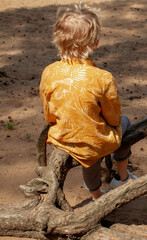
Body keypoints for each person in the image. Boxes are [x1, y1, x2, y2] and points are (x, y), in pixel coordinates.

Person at [39, 4, 137, 200]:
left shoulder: (49, 72)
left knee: (89, 160)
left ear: (58, 40)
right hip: (95, 141)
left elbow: (48, 112)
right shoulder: (102, 77)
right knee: (125, 124)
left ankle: (95, 195)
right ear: (95, 43)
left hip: (63, 137)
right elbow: (113, 117)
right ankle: (122, 176)